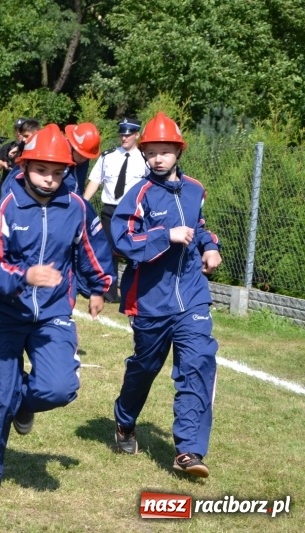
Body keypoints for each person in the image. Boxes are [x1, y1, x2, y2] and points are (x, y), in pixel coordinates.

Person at [0, 124, 114, 494]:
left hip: (52, 313)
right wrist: (23, 276)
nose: (50, 180)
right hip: (1, 313)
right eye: (41, 171)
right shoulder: (7, 204)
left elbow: (91, 251)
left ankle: (24, 404)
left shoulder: (77, 207)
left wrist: (98, 288)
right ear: (25, 166)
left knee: (59, 388)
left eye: (57, 172)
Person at [110, 112, 221, 478]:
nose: (158, 158)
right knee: (145, 367)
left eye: (165, 151)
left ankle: (188, 451)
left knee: (197, 364)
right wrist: (165, 235)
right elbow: (123, 240)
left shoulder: (195, 188)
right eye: (152, 152)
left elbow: (200, 227)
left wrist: (209, 246)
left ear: (178, 151)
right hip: (149, 301)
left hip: (192, 295)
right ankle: (125, 419)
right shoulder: (139, 194)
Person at [84, 117, 148, 303]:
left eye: (128, 135)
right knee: (107, 251)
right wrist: (83, 204)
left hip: (133, 212)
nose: (124, 138)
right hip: (110, 210)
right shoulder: (108, 156)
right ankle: (109, 294)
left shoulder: (145, 159)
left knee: (133, 252)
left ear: (136, 135)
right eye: (122, 134)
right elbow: (95, 181)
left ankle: (133, 293)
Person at [63, 122, 101, 194]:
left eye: (87, 157)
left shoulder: (85, 154)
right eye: (81, 155)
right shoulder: (60, 155)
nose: (84, 159)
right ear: (73, 146)